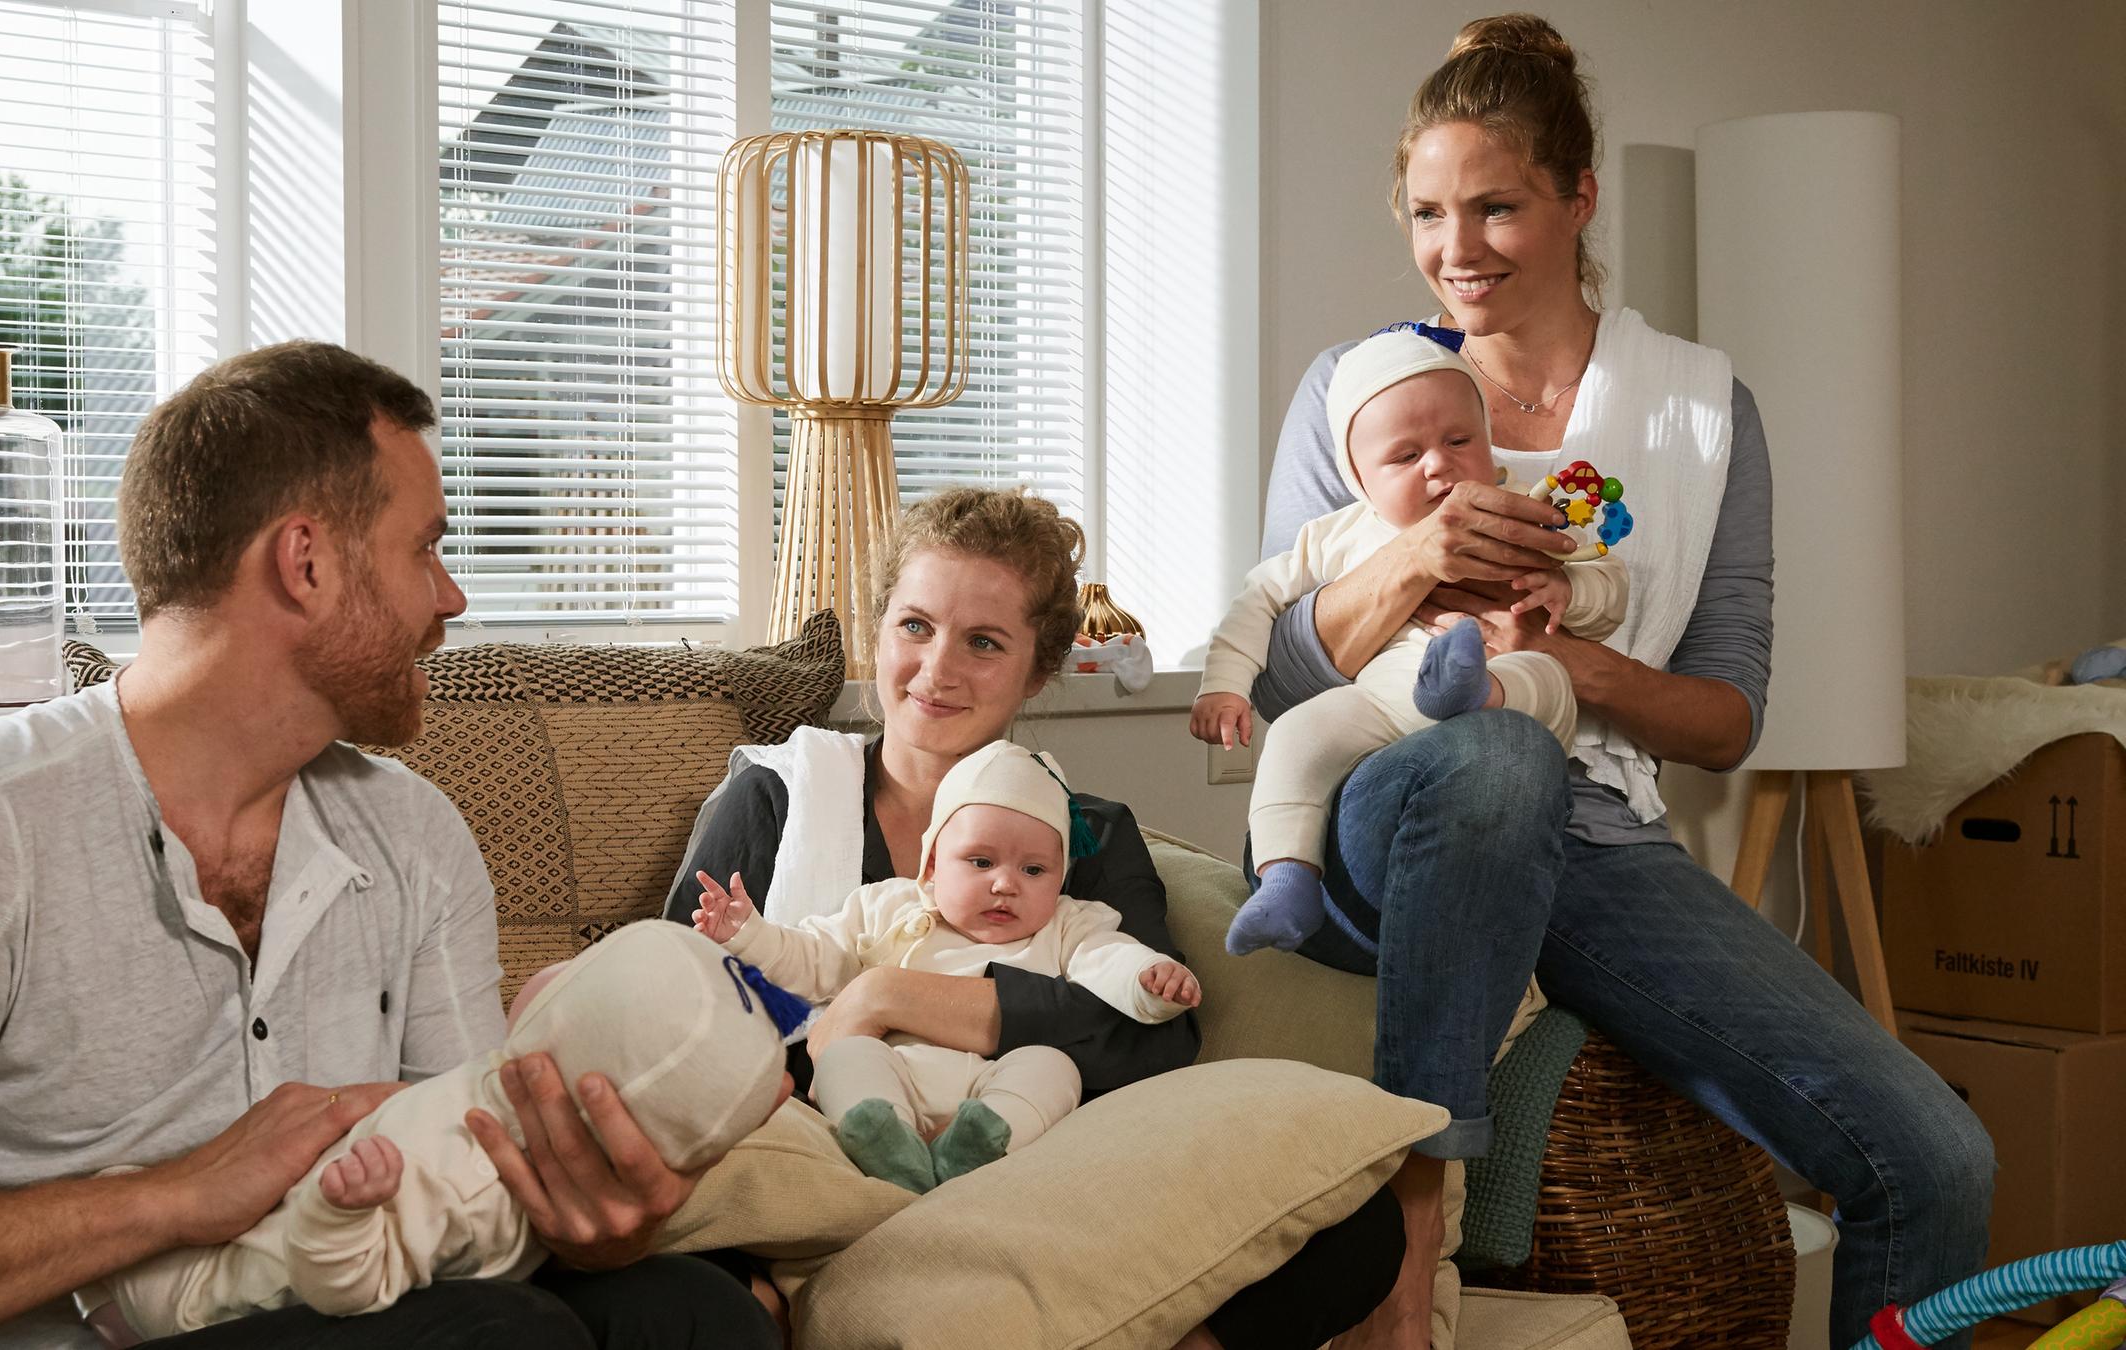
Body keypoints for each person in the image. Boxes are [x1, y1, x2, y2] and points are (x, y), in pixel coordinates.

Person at [0, 341, 779, 1350]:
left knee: (690, 1311)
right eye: (425, 547)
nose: (450, 598)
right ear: (308, 562)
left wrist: (590, 1217)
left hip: (340, 1304)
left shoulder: (413, 833)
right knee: (496, 1336)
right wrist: (172, 1197)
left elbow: (453, 1194)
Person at [1251, 17, 1993, 1350]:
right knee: (1496, 757)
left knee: (1936, 1155)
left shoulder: (1701, 416)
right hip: (1394, 800)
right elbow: (1273, 683)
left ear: (1580, 197)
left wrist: (1567, 658)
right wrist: (1411, 562)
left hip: (1598, 829)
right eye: (1427, 212)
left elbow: (1727, 718)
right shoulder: (1361, 392)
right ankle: (1416, 1228)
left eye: (1497, 206)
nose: (1456, 249)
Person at [664, 486, 1405, 1350]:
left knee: (1359, 1225)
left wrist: (891, 999)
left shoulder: (1084, 831)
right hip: (825, 1155)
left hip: (1027, 1168)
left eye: (983, 642)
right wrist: (844, 1027)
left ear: (1038, 671)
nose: (937, 669)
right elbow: (681, 1015)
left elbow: (1157, 1035)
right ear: (878, 630)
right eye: (914, 626)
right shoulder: (778, 797)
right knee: (682, 1271)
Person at [84, 921, 796, 1342]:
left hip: (333, 1254)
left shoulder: (471, 1162)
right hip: (197, 1300)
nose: (546, 972)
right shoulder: (454, 1169)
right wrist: (335, 1210)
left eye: (575, 974)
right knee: (507, 1331)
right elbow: (342, 1285)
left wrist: (602, 1243)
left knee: (707, 1313)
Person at [1191, 322, 1625, 957]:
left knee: (1549, 678)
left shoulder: (1521, 512)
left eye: (1458, 440)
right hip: (1384, 704)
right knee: (1295, 736)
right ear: (1360, 479)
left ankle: (1473, 685)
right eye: (1404, 456)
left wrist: (1571, 593)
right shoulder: (1336, 537)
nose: (1439, 464)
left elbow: (1608, 583)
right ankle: (1286, 878)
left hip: (1508, 696)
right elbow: (1257, 600)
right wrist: (1224, 684)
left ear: (1490, 445)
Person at [694, 740, 1199, 1194]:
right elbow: (811, 958)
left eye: (1034, 869)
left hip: (995, 1084)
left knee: (1052, 1068)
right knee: (845, 1056)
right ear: (932, 862)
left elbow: (1111, 959)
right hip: (896, 1075)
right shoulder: (886, 906)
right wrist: (749, 935)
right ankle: (884, 1142)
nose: (1005, 884)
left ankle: (978, 1151)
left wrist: (1149, 979)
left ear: (1061, 876)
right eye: (981, 862)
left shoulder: (1068, 925)